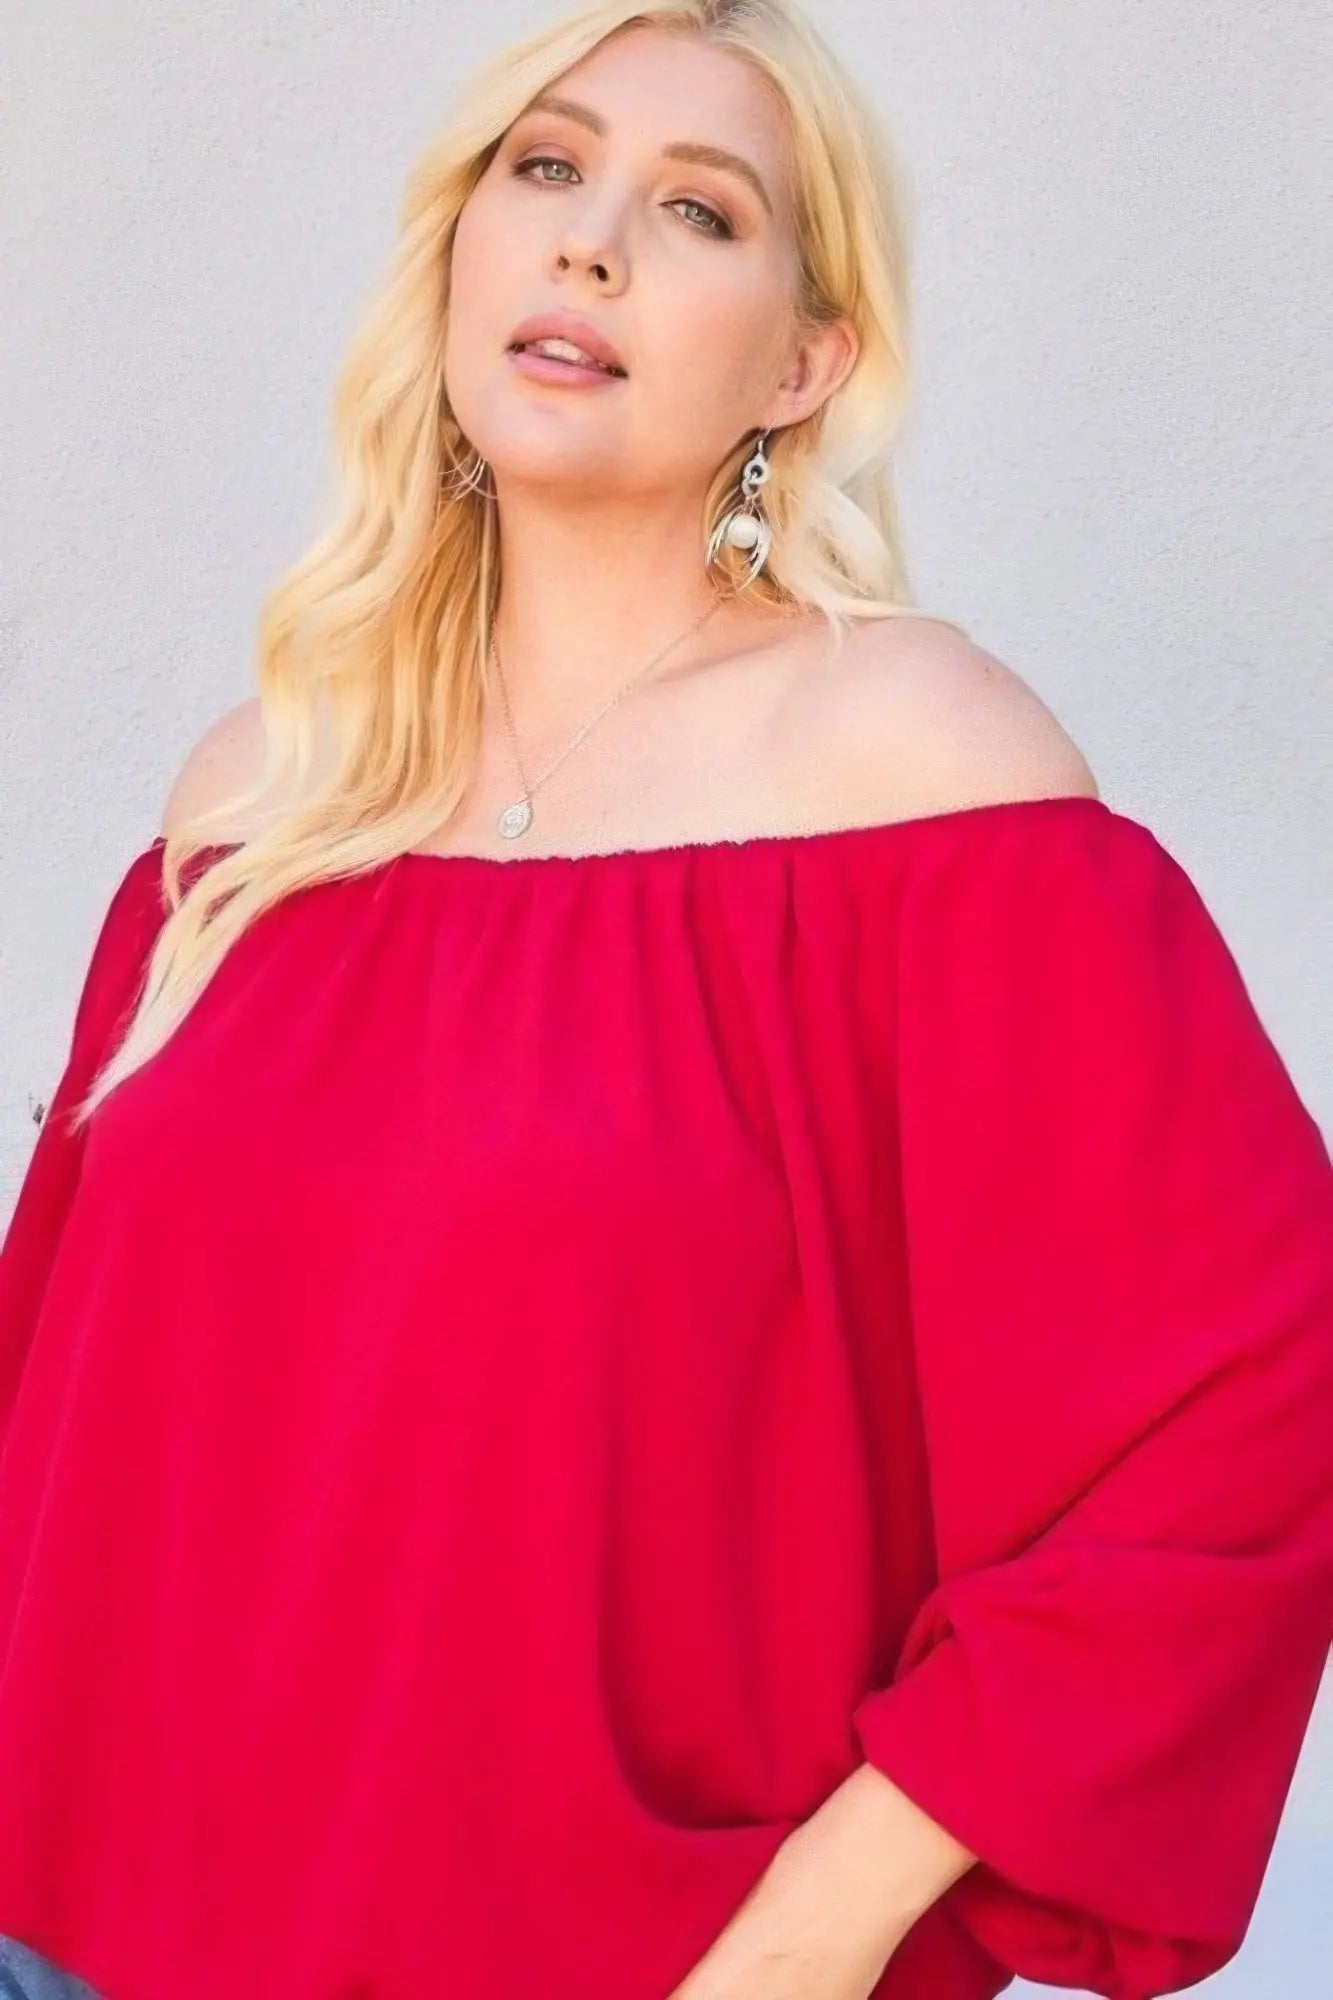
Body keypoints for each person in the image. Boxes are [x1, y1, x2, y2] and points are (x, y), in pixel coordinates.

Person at [1, 3, 1330, 1998]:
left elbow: (1245, 1413)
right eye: (545, 167)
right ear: (457, 249)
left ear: (806, 362)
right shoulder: (261, 795)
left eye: (697, 210)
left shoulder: (916, 774)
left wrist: (818, 1926)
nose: (590, 239)